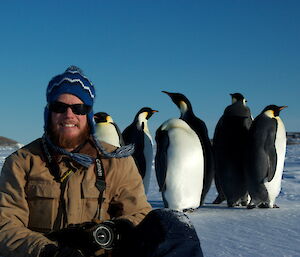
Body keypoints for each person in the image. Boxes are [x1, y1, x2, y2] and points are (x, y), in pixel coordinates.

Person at [0, 66, 203, 257]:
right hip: (45, 254)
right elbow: (5, 225)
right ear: (49, 113)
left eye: (78, 108)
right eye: (59, 107)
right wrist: (48, 251)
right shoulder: (23, 162)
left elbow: (140, 214)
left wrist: (113, 229)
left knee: (173, 223)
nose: (69, 114)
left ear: (88, 115)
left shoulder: (115, 161)